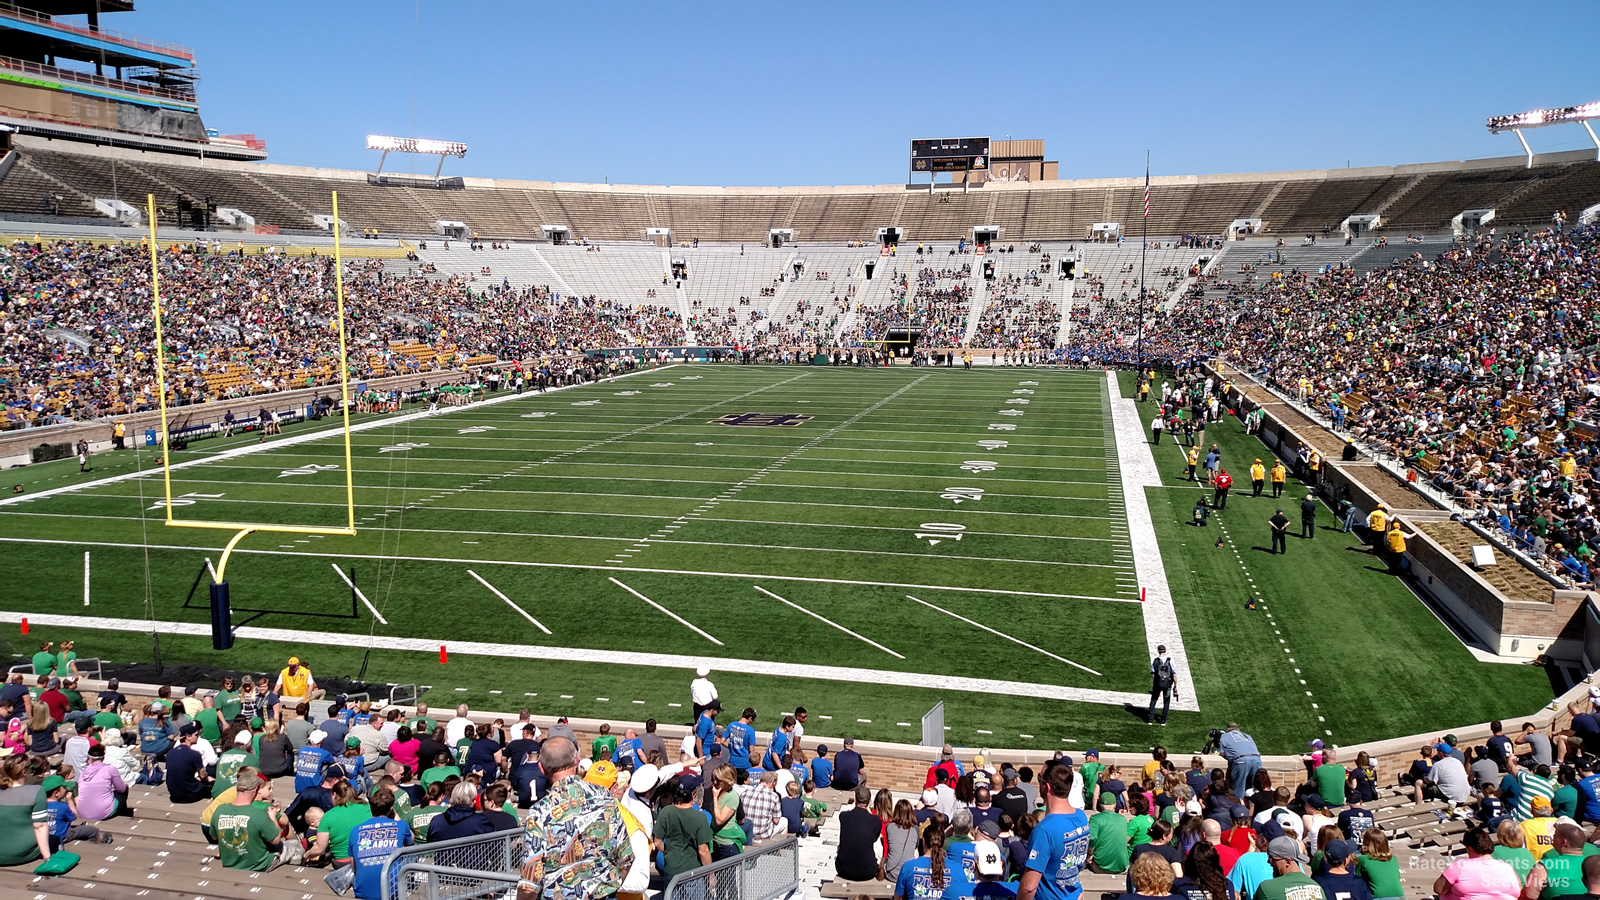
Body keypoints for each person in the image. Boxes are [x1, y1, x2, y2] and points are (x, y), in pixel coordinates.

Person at [518, 735, 633, 898]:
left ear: (541, 768)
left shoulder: (540, 812)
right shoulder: (604, 796)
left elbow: (529, 885)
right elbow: (626, 857)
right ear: (576, 761)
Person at [1018, 761, 1090, 900]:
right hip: (1073, 894)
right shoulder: (1081, 817)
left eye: (1040, 779)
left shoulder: (1044, 829)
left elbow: (1029, 887)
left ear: (1047, 786)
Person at [216, 770, 297, 871]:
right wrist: (273, 817)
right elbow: (276, 840)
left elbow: (214, 835)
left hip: (230, 862)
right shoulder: (259, 813)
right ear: (255, 790)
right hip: (259, 864)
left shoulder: (220, 810)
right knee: (296, 847)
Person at [350, 786, 412, 900]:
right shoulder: (401, 825)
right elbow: (411, 840)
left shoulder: (355, 830)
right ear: (390, 809)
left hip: (363, 892)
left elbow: (354, 867)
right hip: (391, 892)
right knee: (414, 848)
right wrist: (396, 816)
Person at [1434, 825, 1521, 900]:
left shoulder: (1460, 866)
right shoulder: (1507, 868)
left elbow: (1438, 889)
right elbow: (1518, 889)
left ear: (1470, 848)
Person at [1520, 822, 1589, 900]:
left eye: (1554, 836)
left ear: (1564, 842)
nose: (1552, 839)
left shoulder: (1545, 866)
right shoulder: (1593, 865)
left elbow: (1528, 895)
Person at [836, 783, 882, 881]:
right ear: (869, 801)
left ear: (855, 799)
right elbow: (874, 839)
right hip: (867, 871)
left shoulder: (844, 816)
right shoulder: (876, 820)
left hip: (843, 869)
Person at [1257, 836, 1323, 900]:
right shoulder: (1318, 889)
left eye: (1272, 858)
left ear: (1288, 861)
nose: (1268, 861)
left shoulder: (1266, 889)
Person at [166, 723, 212, 804]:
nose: (198, 737)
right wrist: (208, 778)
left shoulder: (170, 753)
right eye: (196, 735)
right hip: (190, 795)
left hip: (174, 795)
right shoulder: (194, 754)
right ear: (188, 737)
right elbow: (203, 776)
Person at [1089, 791, 1131, 874]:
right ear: (1115, 805)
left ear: (1100, 805)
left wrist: (1089, 854)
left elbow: (1092, 838)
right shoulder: (1122, 819)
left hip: (1101, 866)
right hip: (1122, 866)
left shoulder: (1095, 819)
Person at [1219, 726, 1261, 800]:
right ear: (1238, 730)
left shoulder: (1224, 736)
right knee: (1254, 788)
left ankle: (1239, 805)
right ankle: (1253, 805)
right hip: (1257, 760)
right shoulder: (1247, 736)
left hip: (1241, 761)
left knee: (1239, 787)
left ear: (1228, 730)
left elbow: (1222, 753)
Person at [1148, 646, 1177, 726]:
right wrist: (1175, 685)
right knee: (1166, 702)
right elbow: (1174, 674)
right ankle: (1163, 721)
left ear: (1158, 651)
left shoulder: (1156, 660)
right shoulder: (1171, 660)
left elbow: (1152, 671)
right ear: (1165, 651)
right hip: (1167, 684)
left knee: (1154, 700)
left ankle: (1150, 719)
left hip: (1157, 684)